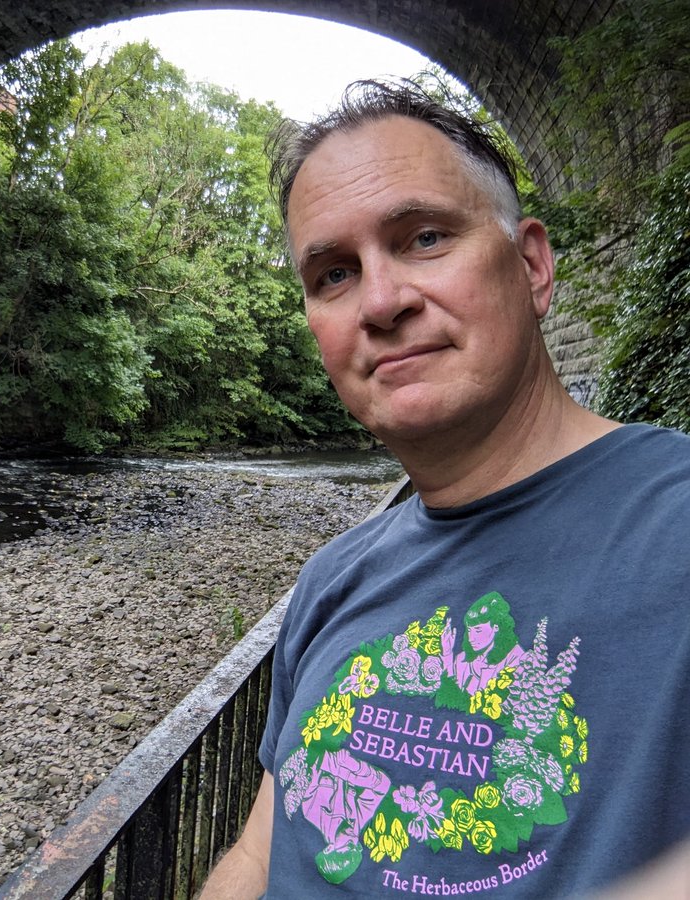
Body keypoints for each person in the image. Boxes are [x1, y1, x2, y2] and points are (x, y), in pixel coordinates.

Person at [199, 79, 690, 898]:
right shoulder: (333, 578)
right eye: (333, 275)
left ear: (532, 265)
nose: (382, 302)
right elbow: (261, 854)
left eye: (425, 237)